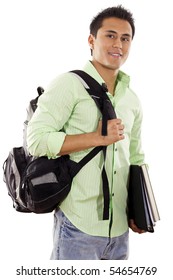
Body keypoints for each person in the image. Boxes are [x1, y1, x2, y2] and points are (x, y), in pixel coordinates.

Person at [27, 5, 146, 260]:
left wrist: (139, 208)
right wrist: (97, 138)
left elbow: (135, 158)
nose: (119, 44)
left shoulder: (132, 99)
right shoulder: (68, 84)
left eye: (126, 38)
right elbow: (36, 140)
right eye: (110, 35)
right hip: (77, 227)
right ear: (92, 40)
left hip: (120, 232)